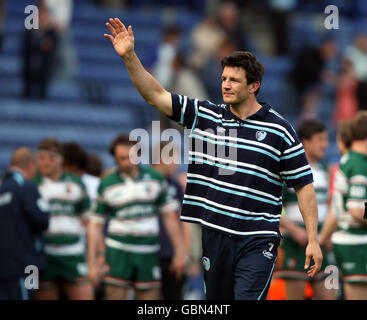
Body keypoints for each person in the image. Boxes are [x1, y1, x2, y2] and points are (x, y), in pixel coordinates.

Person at [103, 18, 323, 300]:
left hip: (258, 240)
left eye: (234, 80)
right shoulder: (206, 115)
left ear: (254, 85)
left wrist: (313, 239)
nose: (226, 85)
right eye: (223, 79)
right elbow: (155, 95)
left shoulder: (280, 130)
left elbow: (303, 185)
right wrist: (130, 57)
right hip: (215, 235)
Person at [88, 134, 185, 300]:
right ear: (115, 158)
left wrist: (180, 251)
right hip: (118, 251)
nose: (126, 162)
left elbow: (170, 217)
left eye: (130, 157)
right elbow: (95, 224)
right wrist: (92, 262)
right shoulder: (106, 184)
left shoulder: (155, 179)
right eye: (121, 158)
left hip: (148, 251)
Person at [277, 120, 336, 300]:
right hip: (295, 245)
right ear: (305, 142)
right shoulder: (287, 171)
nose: (325, 144)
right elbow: (273, 207)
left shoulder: (326, 171)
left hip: (323, 244)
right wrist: (293, 230)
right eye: (320, 139)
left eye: (326, 139)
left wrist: (329, 234)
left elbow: (333, 205)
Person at [34, 138, 93, 300]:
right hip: (44, 255)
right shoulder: (33, 185)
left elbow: (90, 222)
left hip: (72, 254)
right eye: (41, 158)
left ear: (61, 160)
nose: (45, 163)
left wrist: (95, 256)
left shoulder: (76, 183)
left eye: (51, 158)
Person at [0, 147, 49, 300]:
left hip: (4, 265)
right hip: (28, 265)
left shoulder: (3, 187)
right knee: (27, 296)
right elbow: (42, 219)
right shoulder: (26, 186)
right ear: (30, 165)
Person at [327, 112, 367, 299]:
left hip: (351, 239)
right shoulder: (358, 164)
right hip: (356, 241)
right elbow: (358, 210)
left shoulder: (351, 160)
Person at [152, 141, 192, 300]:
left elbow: (185, 221)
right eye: (173, 158)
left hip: (171, 254)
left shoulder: (174, 185)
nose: (176, 163)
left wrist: (183, 254)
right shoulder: (146, 183)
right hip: (149, 252)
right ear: (162, 158)